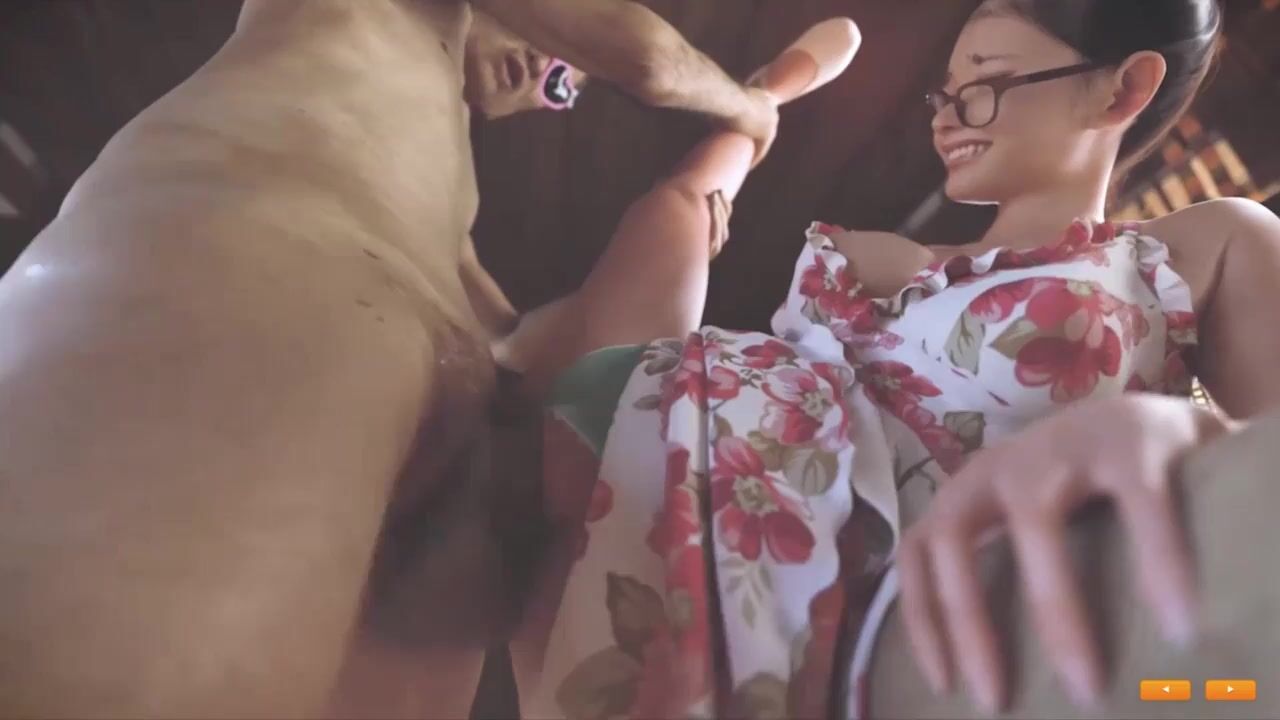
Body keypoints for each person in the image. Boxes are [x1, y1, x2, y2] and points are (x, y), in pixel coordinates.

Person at [495, 0, 1280, 716]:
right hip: (672, 536)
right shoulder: (855, 262)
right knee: (631, 353)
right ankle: (756, 115)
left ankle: (758, 110)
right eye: (946, 93)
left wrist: (1191, 439)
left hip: (978, 637)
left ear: (1122, 89)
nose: (949, 117)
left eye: (986, 82)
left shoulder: (1194, 251)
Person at [0, 1, 785, 717]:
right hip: (237, 257)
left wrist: (683, 223)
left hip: (432, 445)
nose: (553, 72)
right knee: (126, 666)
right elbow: (642, 55)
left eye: (561, 88)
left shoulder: (443, 197)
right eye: (561, 62)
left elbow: (522, 343)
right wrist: (750, 110)